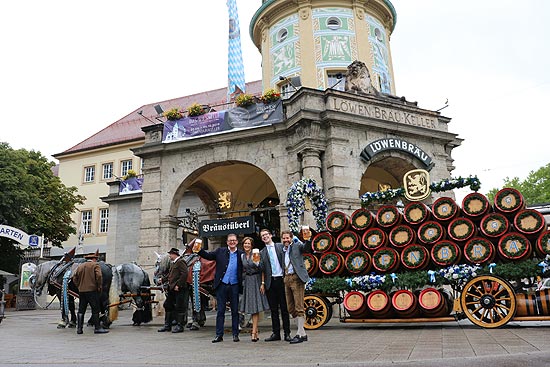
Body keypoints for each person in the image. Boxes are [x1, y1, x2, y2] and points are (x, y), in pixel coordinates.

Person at [198, 233, 243, 343]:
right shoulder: (220, 251)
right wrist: (198, 249)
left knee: (235, 311)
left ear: (237, 242)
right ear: (227, 242)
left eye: (234, 240)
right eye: (230, 240)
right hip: (222, 285)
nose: (232, 242)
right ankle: (219, 335)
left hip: (235, 285)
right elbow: (208, 256)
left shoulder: (241, 254)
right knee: (221, 311)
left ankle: (235, 334)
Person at [259, 228, 291, 342]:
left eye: (266, 234)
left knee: (284, 308)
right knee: (273, 310)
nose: (264, 237)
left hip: (281, 280)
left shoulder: (279, 246)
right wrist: (256, 263)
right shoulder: (261, 252)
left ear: (271, 235)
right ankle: (276, 333)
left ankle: (287, 333)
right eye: (262, 236)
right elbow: (262, 269)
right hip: (270, 282)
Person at [281, 230, 310, 344]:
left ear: (291, 238)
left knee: (299, 306)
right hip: (287, 278)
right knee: (290, 308)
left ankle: (299, 333)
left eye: (287, 238)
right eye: (284, 238)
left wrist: (307, 239)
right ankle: (303, 334)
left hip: (297, 278)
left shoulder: (297, 245)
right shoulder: (282, 249)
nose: (285, 240)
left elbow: (306, 248)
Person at [239, 237, 270, 342]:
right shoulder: (242, 256)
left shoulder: (256, 253)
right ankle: (255, 331)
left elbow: (262, 269)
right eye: (245, 243)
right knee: (252, 308)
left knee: (255, 307)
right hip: (248, 280)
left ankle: (253, 332)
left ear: (251, 245)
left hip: (256, 279)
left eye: (249, 243)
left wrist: (262, 283)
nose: (247, 245)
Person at [72, 249, 108, 335]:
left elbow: (74, 277)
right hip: (92, 291)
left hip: (82, 291)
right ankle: (97, 328)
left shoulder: (80, 266)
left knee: (81, 310)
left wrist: (79, 285)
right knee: (95, 309)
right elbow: (99, 276)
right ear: (94, 259)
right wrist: (99, 286)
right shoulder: (95, 265)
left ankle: (79, 329)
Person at [157, 247, 189, 333]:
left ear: (174, 254)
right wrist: (163, 280)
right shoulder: (173, 263)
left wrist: (179, 285)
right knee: (168, 305)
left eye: (170, 254)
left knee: (180, 306)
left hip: (179, 288)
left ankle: (180, 326)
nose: (169, 256)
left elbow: (184, 274)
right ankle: (167, 325)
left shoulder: (181, 262)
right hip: (172, 288)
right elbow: (170, 275)